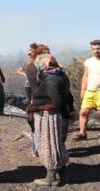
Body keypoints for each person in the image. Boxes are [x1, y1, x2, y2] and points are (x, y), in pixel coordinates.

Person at [30, 54, 73, 186]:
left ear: (44, 65)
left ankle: (51, 178)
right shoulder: (60, 74)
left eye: (38, 65)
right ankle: (62, 175)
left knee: (49, 145)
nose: (38, 68)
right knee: (57, 144)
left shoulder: (51, 78)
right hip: (52, 115)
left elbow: (58, 101)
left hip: (49, 116)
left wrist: (66, 114)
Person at [73, 39, 100, 141]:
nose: (96, 50)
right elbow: (85, 76)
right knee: (83, 112)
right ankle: (82, 134)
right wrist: (83, 90)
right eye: (94, 49)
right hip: (89, 91)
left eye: (98, 48)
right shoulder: (88, 62)